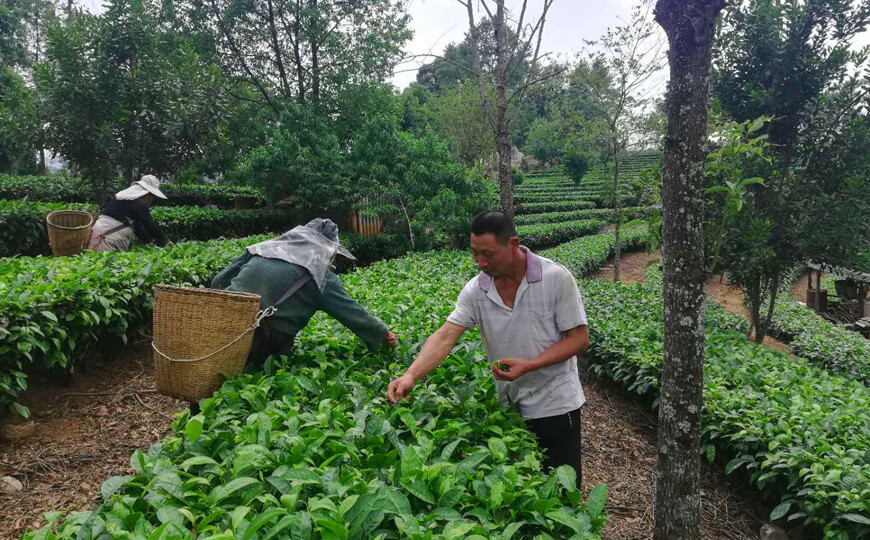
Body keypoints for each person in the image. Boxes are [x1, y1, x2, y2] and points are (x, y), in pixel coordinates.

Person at [387, 211, 589, 486]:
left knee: (564, 488)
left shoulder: (555, 278)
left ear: (513, 244)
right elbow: (447, 335)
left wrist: (530, 365)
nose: (480, 262)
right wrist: (411, 375)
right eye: (474, 253)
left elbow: (578, 339)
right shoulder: (476, 290)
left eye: (488, 254)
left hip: (555, 401)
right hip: (510, 404)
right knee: (525, 489)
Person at [211, 218, 398, 368]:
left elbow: (218, 281)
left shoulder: (261, 248)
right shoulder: (319, 277)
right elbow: (351, 312)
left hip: (222, 321)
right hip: (262, 340)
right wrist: (383, 333)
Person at [88, 175, 174, 252]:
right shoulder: (138, 203)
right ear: (148, 194)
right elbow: (149, 225)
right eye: (152, 197)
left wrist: (151, 241)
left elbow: (138, 228)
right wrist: (165, 241)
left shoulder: (123, 199)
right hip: (108, 237)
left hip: (99, 232)